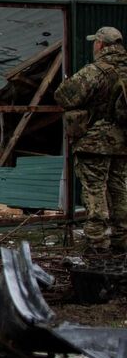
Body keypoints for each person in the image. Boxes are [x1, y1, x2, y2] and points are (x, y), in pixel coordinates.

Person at [55, 26, 127, 253]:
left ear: (101, 45)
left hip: (95, 141)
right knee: (119, 188)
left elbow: (64, 95)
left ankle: (97, 241)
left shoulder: (96, 71)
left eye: (95, 42)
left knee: (95, 189)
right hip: (123, 141)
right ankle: (122, 237)